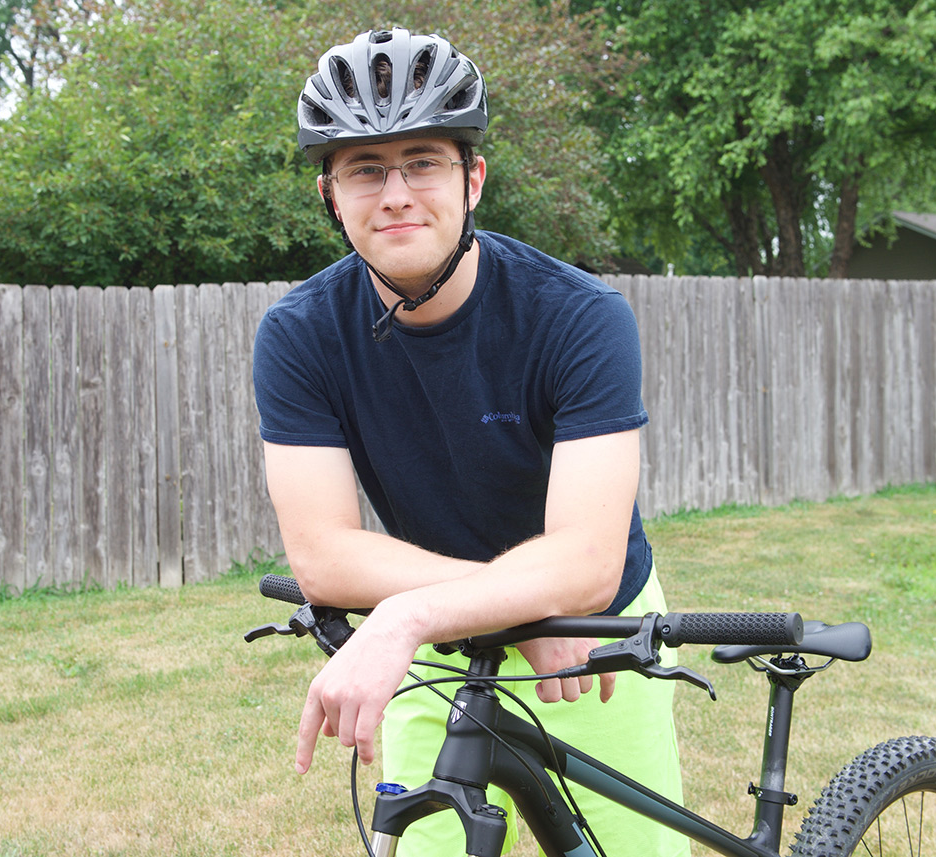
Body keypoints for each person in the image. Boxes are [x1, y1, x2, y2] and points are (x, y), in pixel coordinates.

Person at [253, 27, 687, 857]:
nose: (396, 193)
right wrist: (482, 607)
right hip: (431, 632)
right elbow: (324, 555)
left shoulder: (581, 317)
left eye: (422, 161)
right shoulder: (300, 335)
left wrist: (418, 611)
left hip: (591, 623)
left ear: (472, 178)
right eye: (365, 169)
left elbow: (586, 558)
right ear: (330, 195)